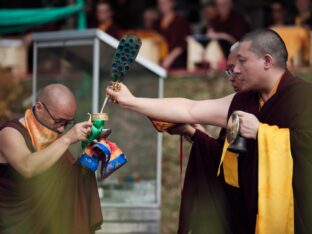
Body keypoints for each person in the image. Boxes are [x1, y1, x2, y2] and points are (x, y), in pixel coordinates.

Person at [107, 29, 312, 233]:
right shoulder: (245, 101)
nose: (236, 71)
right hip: (251, 217)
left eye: (242, 61)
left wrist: (261, 133)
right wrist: (132, 101)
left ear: (267, 61)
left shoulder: (304, 97)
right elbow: (190, 109)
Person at [0, 84, 103, 233]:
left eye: (67, 123)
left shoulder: (53, 137)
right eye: (59, 121)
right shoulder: (10, 133)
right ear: (39, 107)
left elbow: (67, 177)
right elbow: (27, 167)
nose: (61, 129)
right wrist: (66, 139)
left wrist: (89, 158)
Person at [153, 0, 191, 69]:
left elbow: (185, 43)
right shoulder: (156, 23)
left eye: (165, 3)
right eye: (160, 3)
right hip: (158, 63)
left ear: (172, 3)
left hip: (178, 64)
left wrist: (170, 57)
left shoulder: (181, 21)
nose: (162, 6)